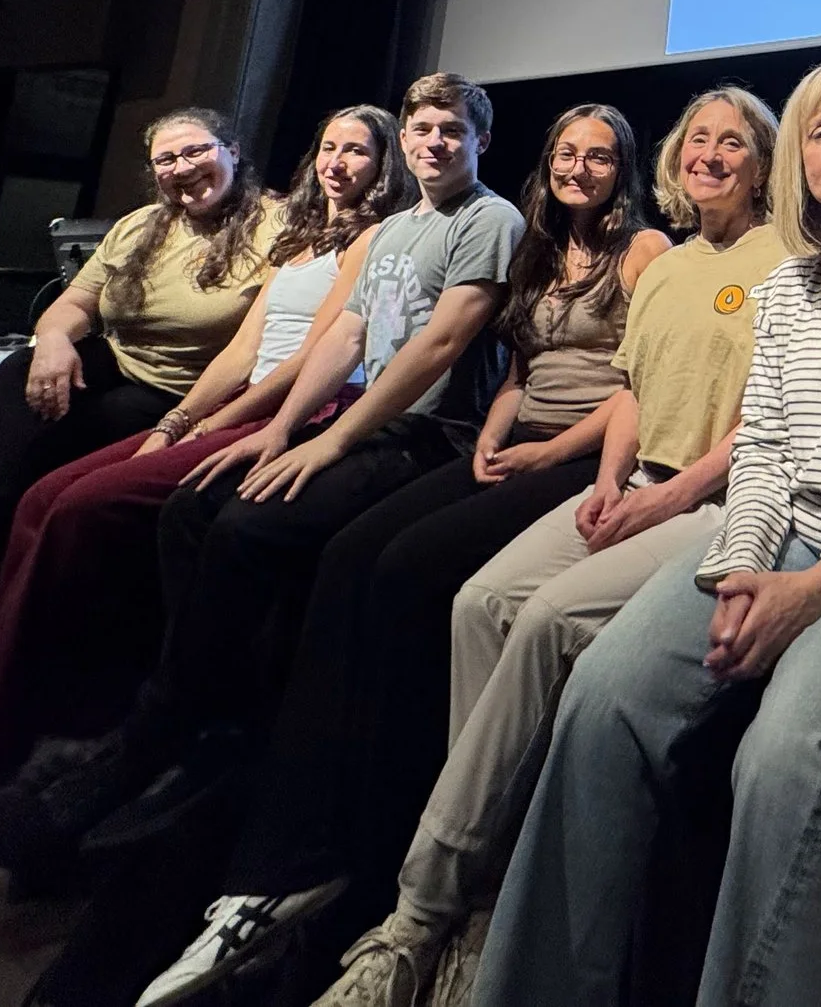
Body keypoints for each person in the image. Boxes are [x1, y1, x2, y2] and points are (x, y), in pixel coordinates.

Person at [469, 58, 821, 1007]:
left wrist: (815, 588)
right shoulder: (792, 284)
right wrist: (742, 564)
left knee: (783, 753)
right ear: (800, 160)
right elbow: (766, 447)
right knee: (604, 692)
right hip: (797, 539)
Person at [133, 102, 669, 1006]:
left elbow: (638, 380)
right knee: (351, 559)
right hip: (509, 438)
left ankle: (356, 846)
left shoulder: (641, 250)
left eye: (601, 155)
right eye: (568, 152)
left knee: (408, 573)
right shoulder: (536, 244)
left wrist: (546, 452)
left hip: (575, 452)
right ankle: (273, 822)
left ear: (626, 167)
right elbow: (517, 370)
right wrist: (499, 432)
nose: (580, 167)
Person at [0, 73, 521, 872]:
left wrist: (326, 444)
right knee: (190, 506)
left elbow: (436, 347)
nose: (435, 142)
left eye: (452, 131)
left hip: (425, 434)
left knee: (245, 526)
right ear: (406, 137)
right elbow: (346, 339)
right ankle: (193, 711)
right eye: (423, 128)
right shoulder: (401, 226)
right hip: (363, 421)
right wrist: (284, 428)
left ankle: (175, 728)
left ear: (480, 143)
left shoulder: (490, 218)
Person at [313, 87, 786, 1007]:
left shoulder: (784, 258)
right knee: (476, 603)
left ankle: (427, 910)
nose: (712, 155)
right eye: (698, 139)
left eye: (735, 142)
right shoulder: (677, 264)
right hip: (638, 480)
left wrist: (668, 494)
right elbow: (637, 389)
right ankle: (484, 861)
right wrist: (612, 480)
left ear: (765, 160)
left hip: (721, 498)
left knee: (545, 620)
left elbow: (771, 410)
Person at [0, 106, 414, 849]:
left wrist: (213, 426)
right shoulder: (304, 234)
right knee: (39, 500)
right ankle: (8, 710)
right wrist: (176, 422)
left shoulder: (376, 238)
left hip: (290, 413)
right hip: (229, 404)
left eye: (358, 151)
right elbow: (243, 350)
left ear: (386, 166)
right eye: (330, 147)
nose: (339, 162)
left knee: (79, 507)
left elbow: (310, 360)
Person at [0, 106, 282, 694]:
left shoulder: (280, 226)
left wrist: (184, 420)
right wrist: (55, 341)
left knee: (87, 425)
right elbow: (73, 304)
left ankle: (1, 638)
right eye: (165, 159)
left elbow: (257, 346)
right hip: (118, 366)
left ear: (232, 152)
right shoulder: (141, 225)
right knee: (20, 370)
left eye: (196, 151)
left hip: (190, 394)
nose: (181, 168)